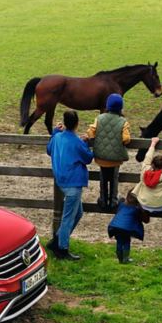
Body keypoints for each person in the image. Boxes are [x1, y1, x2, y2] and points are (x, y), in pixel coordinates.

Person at [45, 110, 94, 260]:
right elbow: (88, 158)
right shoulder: (77, 142)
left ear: (64, 123)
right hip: (73, 182)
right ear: (77, 123)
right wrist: (87, 143)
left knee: (77, 213)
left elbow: (49, 150)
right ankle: (62, 249)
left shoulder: (58, 137)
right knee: (68, 217)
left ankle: (57, 241)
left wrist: (54, 132)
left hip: (61, 181)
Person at [86, 93, 131, 211]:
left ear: (107, 106)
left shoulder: (99, 118)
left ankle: (103, 201)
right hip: (115, 159)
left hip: (101, 157)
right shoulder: (123, 121)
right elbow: (126, 139)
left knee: (103, 179)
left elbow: (90, 133)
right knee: (114, 179)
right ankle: (113, 202)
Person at [131, 137, 162, 215]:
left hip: (144, 205)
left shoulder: (145, 170)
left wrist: (153, 144)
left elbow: (147, 158)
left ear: (152, 164)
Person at [107, 191, 150, 264]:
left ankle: (120, 259)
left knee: (119, 241)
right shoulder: (136, 209)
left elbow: (120, 200)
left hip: (115, 225)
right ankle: (125, 259)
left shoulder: (121, 204)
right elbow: (145, 219)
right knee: (126, 241)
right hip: (126, 228)